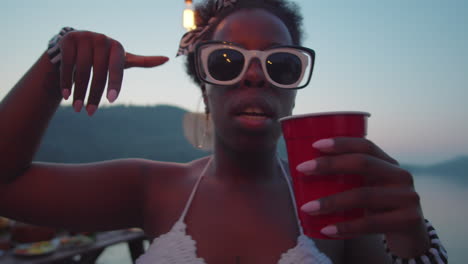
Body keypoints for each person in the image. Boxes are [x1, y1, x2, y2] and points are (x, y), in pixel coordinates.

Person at [0, 0, 447, 263]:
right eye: (228, 62)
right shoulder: (152, 189)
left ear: (293, 90)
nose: (254, 77)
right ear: (205, 83)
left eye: (282, 64)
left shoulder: (337, 205)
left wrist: (413, 243)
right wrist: (56, 60)